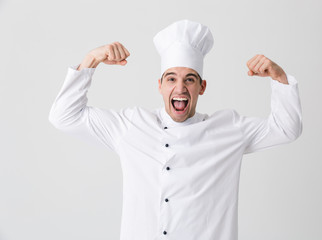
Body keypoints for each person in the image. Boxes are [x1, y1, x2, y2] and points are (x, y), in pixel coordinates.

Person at [49, 19, 302, 240]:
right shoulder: (131, 125)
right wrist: (91, 60)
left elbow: (286, 129)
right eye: (171, 78)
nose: (180, 88)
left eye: (189, 79)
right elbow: (64, 116)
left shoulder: (228, 129)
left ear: (201, 87)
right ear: (160, 85)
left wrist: (279, 78)